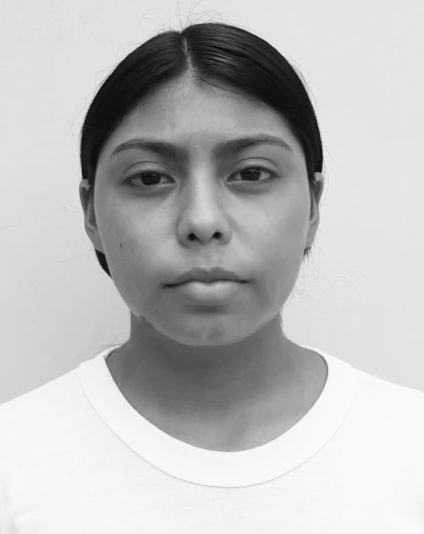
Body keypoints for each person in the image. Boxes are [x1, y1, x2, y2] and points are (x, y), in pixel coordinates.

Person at [0, 20, 423, 532]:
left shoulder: (411, 452)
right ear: (91, 214)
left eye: (251, 173)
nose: (202, 221)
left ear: (313, 204)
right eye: (150, 178)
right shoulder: (14, 465)